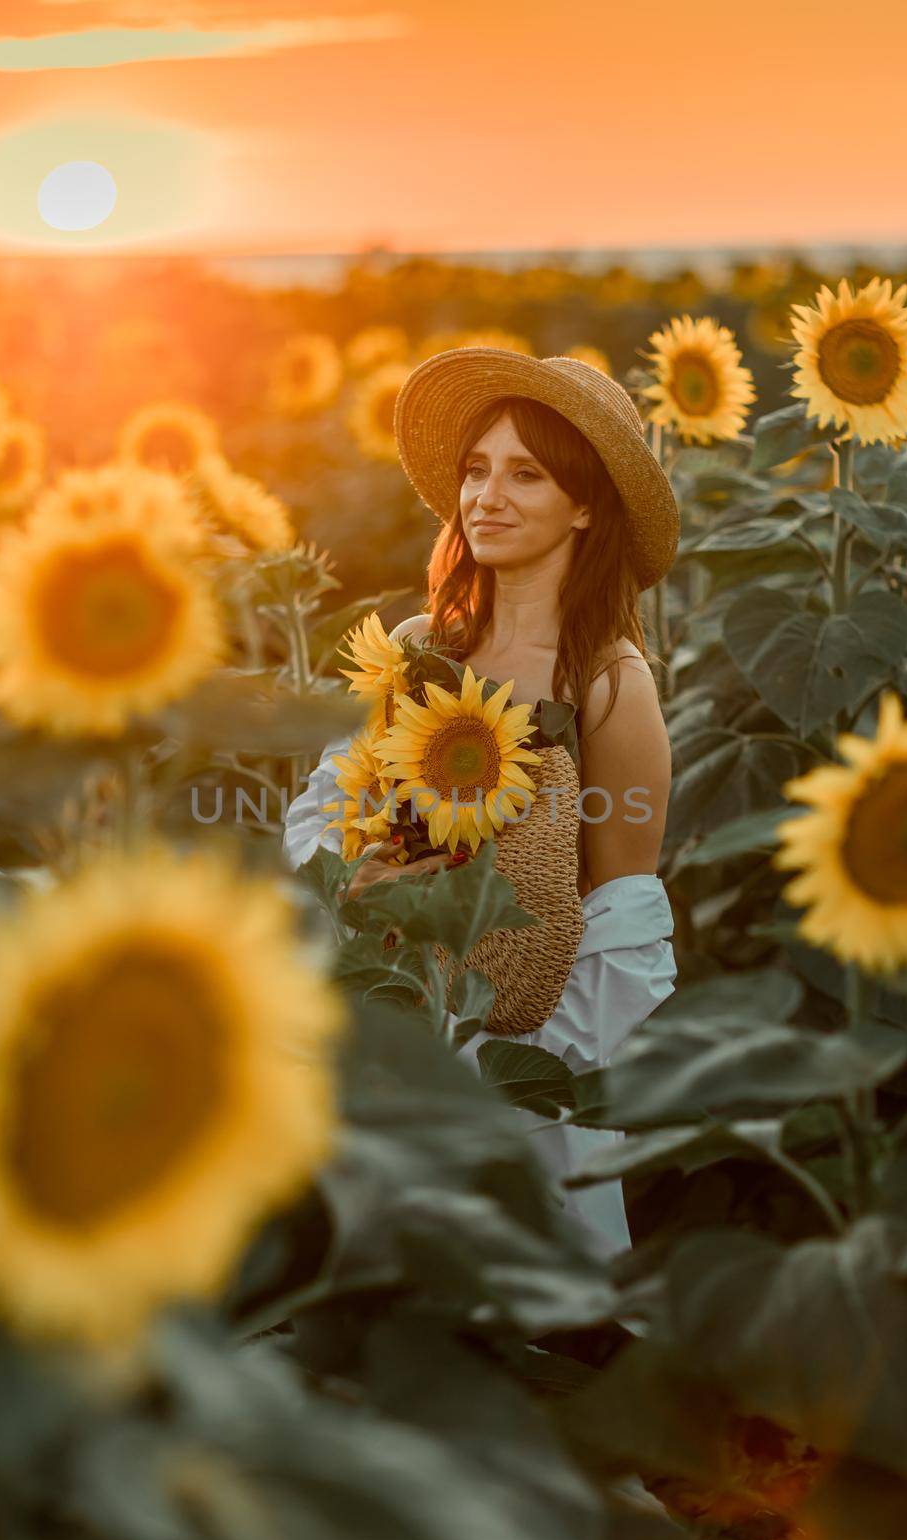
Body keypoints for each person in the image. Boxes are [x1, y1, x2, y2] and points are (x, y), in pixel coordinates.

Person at [282, 348, 680, 1258]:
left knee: (514, 1312)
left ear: (584, 505)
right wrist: (351, 884)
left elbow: (624, 926)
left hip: (524, 1084)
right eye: (475, 470)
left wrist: (495, 1066)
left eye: (525, 475)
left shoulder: (609, 686)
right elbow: (318, 811)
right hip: (382, 1028)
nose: (485, 498)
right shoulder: (419, 648)